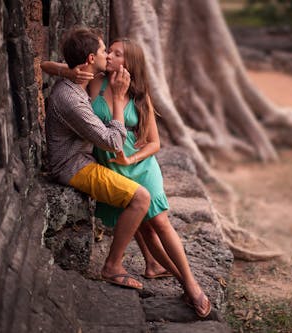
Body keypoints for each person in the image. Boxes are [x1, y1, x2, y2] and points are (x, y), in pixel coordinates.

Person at [42, 36, 212, 318]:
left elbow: (154, 142)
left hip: (139, 164)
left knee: (159, 221)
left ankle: (191, 284)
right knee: (143, 225)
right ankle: (156, 268)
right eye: (106, 51)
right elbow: (46, 65)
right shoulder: (95, 79)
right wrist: (67, 72)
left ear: (128, 63)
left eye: (115, 53)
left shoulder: (139, 94)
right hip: (109, 161)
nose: (107, 55)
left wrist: (132, 156)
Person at [44, 27, 150, 290]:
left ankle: (153, 262)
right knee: (141, 198)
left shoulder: (79, 79)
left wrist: (64, 69)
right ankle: (112, 266)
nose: (108, 56)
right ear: (91, 59)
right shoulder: (71, 99)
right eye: (105, 51)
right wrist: (116, 98)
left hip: (84, 157)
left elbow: (49, 64)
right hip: (72, 165)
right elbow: (114, 142)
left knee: (136, 188)